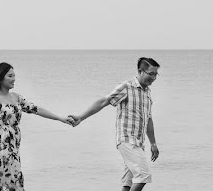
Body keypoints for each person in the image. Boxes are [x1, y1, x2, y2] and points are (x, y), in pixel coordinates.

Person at [0, 62, 74, 190]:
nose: (14, 79)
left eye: (14, 75)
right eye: (10, 76)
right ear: (0, 77)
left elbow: (36, 109)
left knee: (15, 185)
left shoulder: (16, 98)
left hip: (13, 152)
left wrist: (60, 118)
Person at [69, 57, 160, 191]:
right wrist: (81, 117)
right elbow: (103, 102)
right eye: (151, 74)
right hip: (127, 140)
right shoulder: (127, 87)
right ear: (140, 71)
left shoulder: (147, 92)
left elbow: (149, 119)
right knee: (144, 175)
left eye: (156, 74)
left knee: (128, 181)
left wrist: (153, 143)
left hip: (139, 143)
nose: (154, 77)